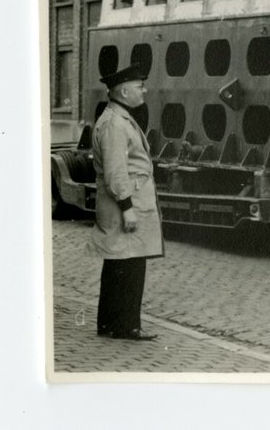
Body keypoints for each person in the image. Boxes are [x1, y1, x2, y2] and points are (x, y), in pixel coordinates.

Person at [88, 64, 163, 342]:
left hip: (122, 202)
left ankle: (108, 323)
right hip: (124, 204)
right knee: (130, 267)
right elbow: (116, 171)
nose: (144, 90)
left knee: (118, 264)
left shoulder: (117, 119)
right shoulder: (115, 124)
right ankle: (127, 326)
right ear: (123, 91)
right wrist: (127, 208)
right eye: (139, 86)